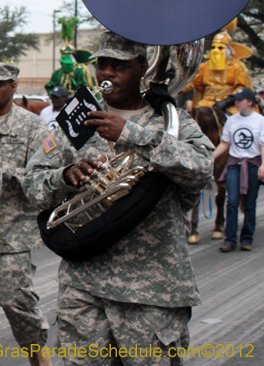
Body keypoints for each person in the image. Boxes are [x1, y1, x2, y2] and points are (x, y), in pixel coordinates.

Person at [23, 31, 213, 364]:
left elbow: (203, 169)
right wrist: (66, 176)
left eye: (119, 65)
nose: (107, 73)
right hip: (84, 287)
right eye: (103, 65)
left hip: (152, 291)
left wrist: (132, 135)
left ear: (141, 67)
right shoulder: (75, 123)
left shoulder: (171, 121)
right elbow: (33, 187)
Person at [0, 62, 52, 366]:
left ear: (14, 87)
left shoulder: (33, 127)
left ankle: (39, 357)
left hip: (12, 238)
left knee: (19, 306)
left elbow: (41, 179)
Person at [214, 87, 264, 252]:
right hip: (234, 164)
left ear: (249, 102)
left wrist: (263, 165)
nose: (236, 103)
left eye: (239, 100)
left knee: (249, 203)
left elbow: (263, 145)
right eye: (235, 100)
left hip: (252, 165)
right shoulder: (232, 120)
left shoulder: (259, 120)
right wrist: (210, 158)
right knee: (232, 201)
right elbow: (225, 143)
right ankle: (230, 239)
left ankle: (246, 239)